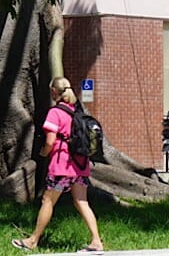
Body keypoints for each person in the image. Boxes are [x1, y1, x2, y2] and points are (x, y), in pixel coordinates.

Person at [14, 77, 105, 253]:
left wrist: (43, 153)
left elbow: (50, 141)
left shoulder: (55, 113)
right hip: (80, 165)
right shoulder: (76, 112)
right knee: (81, 201)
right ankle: (96, 241)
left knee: (47, 201)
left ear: (54, 91)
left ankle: (33, 240)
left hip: (62, 165)